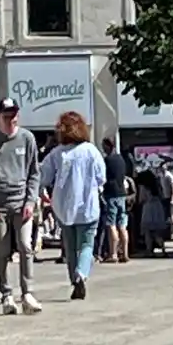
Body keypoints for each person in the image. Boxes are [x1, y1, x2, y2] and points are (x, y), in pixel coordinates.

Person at [0, 98, 43, 314]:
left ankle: (27, 292)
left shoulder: (27, 138)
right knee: (2, 250)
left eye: (13, 115)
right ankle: (6, 294)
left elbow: (34, 173)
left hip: (22, 201)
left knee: (25, 245)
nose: (10, 120)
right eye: (6, 116)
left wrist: (31, 201)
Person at [40, 112, 106, 300]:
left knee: (69, 247)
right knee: (86, 244)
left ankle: (74, 280)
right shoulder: (91, 150)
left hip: (64, 207)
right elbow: (102, 176)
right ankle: (81, 274)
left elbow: (43, 176)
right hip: (88, 205)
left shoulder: (57, 153)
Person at [100, 136, 130, 264]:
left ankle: (113, 254)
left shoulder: (107, 160)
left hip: (111, 194)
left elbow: (102, 177)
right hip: (122, 193)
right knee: (122, 224)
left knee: (111, 224)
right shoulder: (121, 159)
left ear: (108, 146)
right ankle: (125, 252)